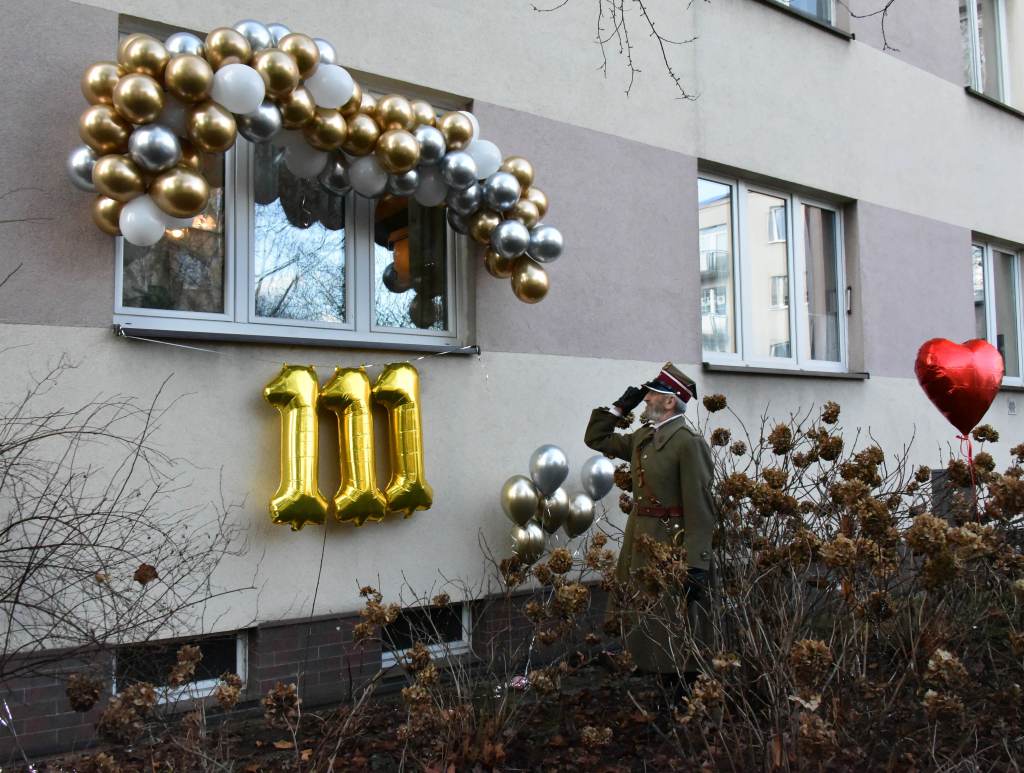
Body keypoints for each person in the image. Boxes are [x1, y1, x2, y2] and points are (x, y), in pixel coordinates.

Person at [584, 362, 716, 690]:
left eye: (652, 394)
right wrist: (618, 408)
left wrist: (697, 563)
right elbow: (596, 439)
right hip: (639, 537)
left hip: (671, 542)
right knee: (639, 608)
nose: (645, 400)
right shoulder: (643, 436)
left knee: (670, 614)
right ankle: (651, 675)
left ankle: (681, 686)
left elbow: (700, 506)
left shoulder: (687, 442)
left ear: (670, 401)